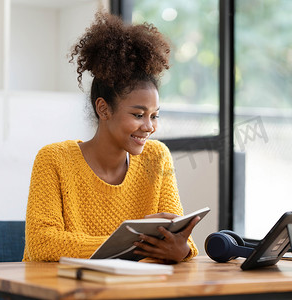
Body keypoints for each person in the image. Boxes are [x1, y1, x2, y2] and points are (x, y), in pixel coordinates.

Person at [22, 11, 200, 263]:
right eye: (138, 115)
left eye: (154, 115)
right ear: (104, 109)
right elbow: (43, 244)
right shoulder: (54, 159)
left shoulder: (156, 157)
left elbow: (181, 239)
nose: (149, 127)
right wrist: (134, 237)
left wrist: (180, 250)